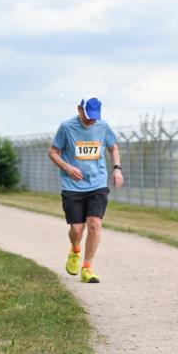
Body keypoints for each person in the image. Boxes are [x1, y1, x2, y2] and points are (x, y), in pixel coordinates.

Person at [48, 97, 123, 283]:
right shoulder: (66, 127)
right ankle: (75, 250)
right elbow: (53, 152)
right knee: (77, 228)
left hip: (97, 183)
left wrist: (117, 169)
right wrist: (68, 168)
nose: (91, 121)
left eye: (95, 117)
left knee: (94, 224)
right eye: (88, 116)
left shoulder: (103, 126)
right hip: (72, 185)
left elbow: (113, 147)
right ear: (79, 110)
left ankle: (87, 267)